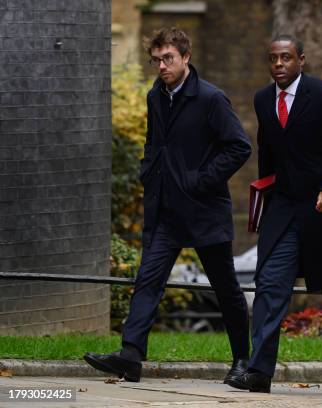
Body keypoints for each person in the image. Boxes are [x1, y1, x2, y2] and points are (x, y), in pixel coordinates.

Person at [84, 27, 252, 383]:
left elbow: (239, 146)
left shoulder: (211, 98)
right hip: (166, 211)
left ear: (186, 57)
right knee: (148, 280)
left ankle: (242, 360)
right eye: (156, 60)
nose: (161, 66)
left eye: (168, 59)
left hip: (205, 211)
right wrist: (149, 171)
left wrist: (200, 179)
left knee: (225, 288)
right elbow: (154, 143)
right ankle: (130, 355)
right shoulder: (155, 96)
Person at [226, 35, 322, 395]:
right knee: (269, 285)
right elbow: (268, 152)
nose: (278, 64)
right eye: (273, 58)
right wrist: (264, 196)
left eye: (286, 58)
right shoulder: (264, 99)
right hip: (282, 210)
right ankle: (260, 370)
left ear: (301, 60)